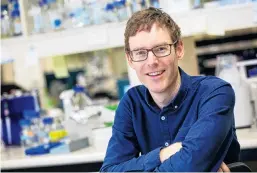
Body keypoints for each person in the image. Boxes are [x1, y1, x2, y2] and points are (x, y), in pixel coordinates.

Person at [100, 7, 240, 172]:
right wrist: (162, 154)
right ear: (130, 59)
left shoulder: (215, 93)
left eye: (160, 49)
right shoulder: (131, 103)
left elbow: (191, 165)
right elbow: (109, 170)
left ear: (179, 49)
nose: (151, 61)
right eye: (140, 53)